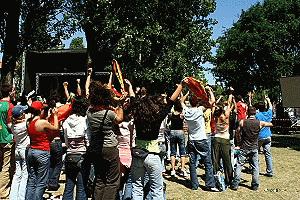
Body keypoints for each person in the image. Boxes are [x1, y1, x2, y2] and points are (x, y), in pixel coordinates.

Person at [127, 79, 184, 200]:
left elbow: (132, 99)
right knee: (157, 188)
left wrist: (130, 86)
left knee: (137, 187)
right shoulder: (158, 116)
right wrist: (181, 86)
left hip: (138, 154)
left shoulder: (137, 113)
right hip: (153, 155)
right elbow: (171, 102)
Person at [86, 81, 123, 200]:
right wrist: (120, 104)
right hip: (110, 148)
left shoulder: (89, 113)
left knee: (100, 179)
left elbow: (91, 104)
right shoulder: (109, 114)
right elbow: (120, 119)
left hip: (96, 148)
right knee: (112, 181)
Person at [180, 91, 218, 192]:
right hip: (201, 139)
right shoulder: (199, 110)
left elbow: (181, 100)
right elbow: (212, 101)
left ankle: (194, 185)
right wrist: (209, 91)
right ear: (197, 103)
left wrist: (187, 93)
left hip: (191, 140)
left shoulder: (186, 111)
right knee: (208, 162)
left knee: (192, 163)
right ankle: (210, 184)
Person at [231, 106, 273, 191]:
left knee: (239, 165)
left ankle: (235, 184)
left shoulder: (243, 122)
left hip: (244, 147)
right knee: (255, 167)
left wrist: (239, 143)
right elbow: (271, 124)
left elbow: (237, 132)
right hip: (254, 147)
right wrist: (262, 126)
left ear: (247, 113)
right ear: (255, 113)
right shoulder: (259, 123)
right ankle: (255, 185)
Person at [25, 101, 60, 200]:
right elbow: (56, 128)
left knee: (32, 179)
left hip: (32, 151)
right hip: (42, 151)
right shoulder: (42, 122)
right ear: (40, 110)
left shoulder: (29, 122)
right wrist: (56, 115)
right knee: (41, 181)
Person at [62, 96, 89, 200]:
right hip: (82, 156)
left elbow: (66, 142)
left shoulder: (66, 121)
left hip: (69, 156)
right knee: (81, 187)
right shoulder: (84, 121)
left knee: (69, 186)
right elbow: (87, 140)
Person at [212, 96, 235, 188]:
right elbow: (229, 105)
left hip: (217, 138)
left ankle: (216, 177)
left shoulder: (215, 116)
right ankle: (229, 179)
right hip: (225, 139)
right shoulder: (226, 116)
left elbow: (213, 105)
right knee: (227, 161)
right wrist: (230, 95)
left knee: (216, 160)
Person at [10, 105, 30, 200]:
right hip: (24, 150)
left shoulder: (13, 126)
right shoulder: (24, 125)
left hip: (17, 150)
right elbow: (30, 119)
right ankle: (21, 197)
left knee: (17, 174)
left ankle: (13, 197)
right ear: (21, 115)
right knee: (25, 175)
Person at [0, 84, 15, 199]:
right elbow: (11, 125)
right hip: (7, 138)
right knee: (6, 166)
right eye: (14, 90)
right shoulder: (10, 106)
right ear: (10, 93)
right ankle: (3, 194)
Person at [168, 99, 187, 177]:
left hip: (172, 132)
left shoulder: (171, 114)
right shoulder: (182, 115)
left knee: (173, 152)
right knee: (182, 152)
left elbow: (168, 123)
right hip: (180, 132)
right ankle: (182, 168)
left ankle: (173, 169)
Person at [256, 96, 274, 177]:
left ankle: (255, 169)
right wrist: (268, 100)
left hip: (260, 136)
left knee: (255, 153)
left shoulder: (257, 115)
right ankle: (270, 171)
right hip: (268, 136)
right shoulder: (269, 113)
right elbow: (270, 107)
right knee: (268, 154)